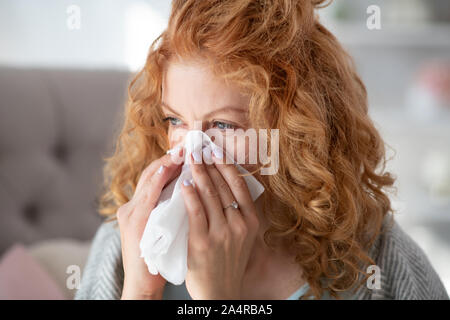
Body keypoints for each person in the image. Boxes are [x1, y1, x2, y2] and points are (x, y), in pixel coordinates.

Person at [75, 0, 449, 300]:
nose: (194, 153)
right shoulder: (125, 245)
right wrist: (141, 292)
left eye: (224, 126)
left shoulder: (376, 260)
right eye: (175, 121)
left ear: (294, 135)